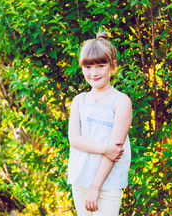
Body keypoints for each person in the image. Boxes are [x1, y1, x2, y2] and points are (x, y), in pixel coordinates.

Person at [67, 31, 132, 216]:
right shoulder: (79, 100)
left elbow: (115, 149)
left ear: (113, 66)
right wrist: (105, 149)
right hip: (81, 180)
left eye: (100, 65)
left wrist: (95, 187)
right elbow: (75, 140)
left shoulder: (121, 101)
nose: (93, 73)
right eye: (87, 67)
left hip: (108, 184)